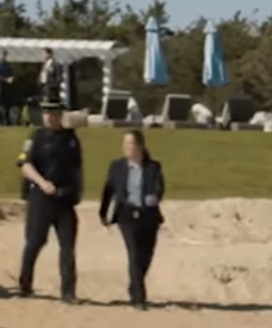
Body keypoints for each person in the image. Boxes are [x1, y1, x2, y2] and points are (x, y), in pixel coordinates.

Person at [15, 103, 82, 302]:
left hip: (64, 198)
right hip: (41, 198)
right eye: (46, 114)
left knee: (67, 246)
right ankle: (25, 285)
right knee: (35, 242)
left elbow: (76, 169)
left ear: (59, 116)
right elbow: (25, 165)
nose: (49, 118)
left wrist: (75, 192)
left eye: (53, 114)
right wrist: (42, 183)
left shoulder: (70, 139)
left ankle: (68, 291)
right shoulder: (35, 138)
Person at [98, 130, 165, 308]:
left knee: (145, 256)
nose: (128, 148)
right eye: (125, 144)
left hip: (148, 216)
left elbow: (158, 187)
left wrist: (153, 197)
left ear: (140, 146)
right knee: (134, 254)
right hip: (126, 215)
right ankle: (138, 297)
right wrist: (103, 212)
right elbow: (108, 190)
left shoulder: (153, 167)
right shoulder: (117, 166)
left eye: (131, 144)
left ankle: (134, 284)